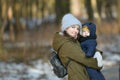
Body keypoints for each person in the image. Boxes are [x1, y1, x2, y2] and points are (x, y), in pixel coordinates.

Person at [52, 13, 102, 80]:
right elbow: (84, 58)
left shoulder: (72, 40)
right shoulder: (66, 45)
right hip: (78, 76)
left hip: (82, 74)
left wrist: (97, 52)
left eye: (78, 29)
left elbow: (86, 47)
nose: (76, 31)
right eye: (73, 27)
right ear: (66, 28)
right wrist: (98, 64)